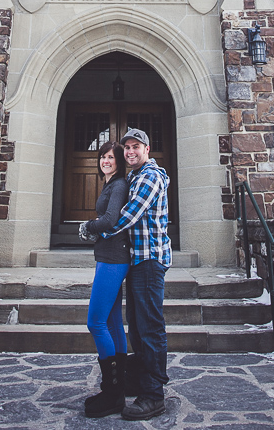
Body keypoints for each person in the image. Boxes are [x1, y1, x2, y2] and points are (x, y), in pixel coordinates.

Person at [100, 127, 172, 422]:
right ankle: (141, 380)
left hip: (150, 260)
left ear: (147, 149)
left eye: (135, 147)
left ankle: (153, 395)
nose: (130, 152)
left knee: (150, 327)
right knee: (137, 325)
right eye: (127, 148)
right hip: (136, 260)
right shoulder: (133, 176)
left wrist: (99, 231)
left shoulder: (150, 176)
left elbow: (130, 214)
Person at [79, 140, 131, 419]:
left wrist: (87, 227)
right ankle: (117, 389)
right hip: (109, 255)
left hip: (113, 259)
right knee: (112, 322)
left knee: (96, 322)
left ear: (119, 161)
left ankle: (111, 392)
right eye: (103, 156)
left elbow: (110, 219)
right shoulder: (111, 184)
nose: (106, 161)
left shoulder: (119, 185)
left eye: (111, 157)